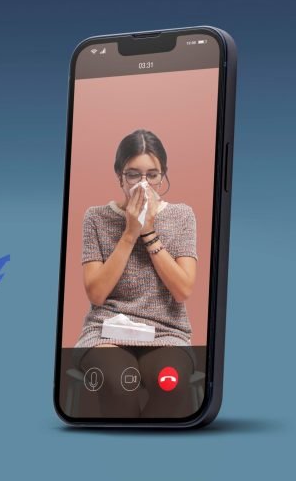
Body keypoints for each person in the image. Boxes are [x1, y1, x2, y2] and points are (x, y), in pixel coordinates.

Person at [74, 129, 198, 417]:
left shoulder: (181, 215)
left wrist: (149, 230)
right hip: (106, 333)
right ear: (119, 174)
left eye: (152, 175)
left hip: (166, 332)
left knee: (172, 385)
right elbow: (96, 292)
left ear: (163, 175)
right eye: (133, 174)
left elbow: (183, 290)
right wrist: (130, 232)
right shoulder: (96, 217)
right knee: (118, 384)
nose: (143, 183)